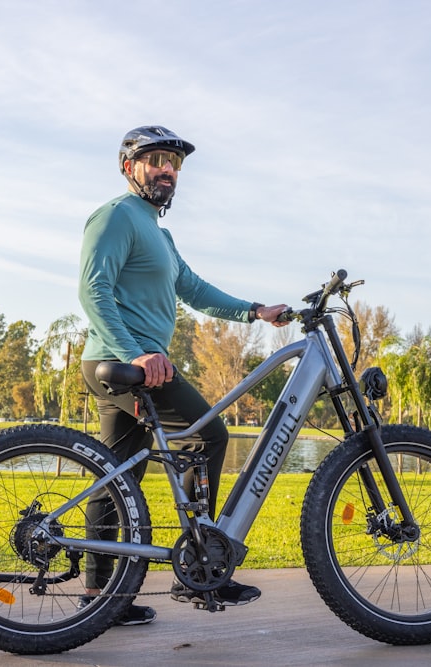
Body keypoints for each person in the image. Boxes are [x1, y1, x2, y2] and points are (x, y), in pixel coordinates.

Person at [78, 125, 289, 626]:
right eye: (155, 160)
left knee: (119, 477)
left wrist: (256, 311)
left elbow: (196, 290)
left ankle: (100, 598)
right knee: (207, 434)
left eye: (174, 162)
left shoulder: (159, 233)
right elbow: (93, 291)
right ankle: (199, 564)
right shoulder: (116, 216)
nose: (167, 170)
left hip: (132, 365)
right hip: (128, 362)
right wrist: (137, 353)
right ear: (129, 167)